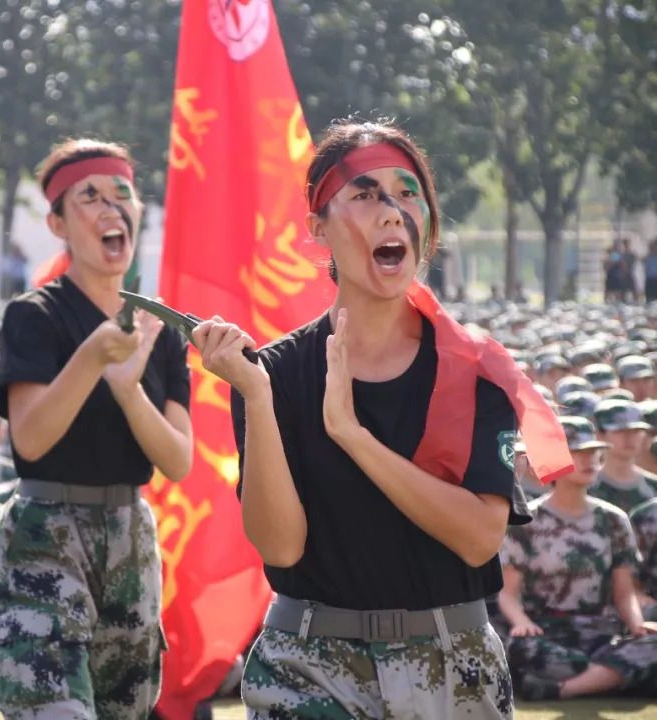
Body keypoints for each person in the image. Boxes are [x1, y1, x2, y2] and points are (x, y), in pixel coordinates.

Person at [196, 121, 565, 718]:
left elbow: (478, 538)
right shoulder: (273, 374)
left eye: (407, 192)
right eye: (365, 194)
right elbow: (280, 546)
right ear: (318, 227)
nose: (392, 211)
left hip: (453, 666)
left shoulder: (474, 368)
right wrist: (258, 399)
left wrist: (353, 436)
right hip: (309, 667)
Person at [0, 139, 193, 718]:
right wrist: (94, 357)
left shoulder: (158, 328)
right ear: (57, 223)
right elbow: (30, 439)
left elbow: (177, 460)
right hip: (46, 533)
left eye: (122, 194)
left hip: (130, 536)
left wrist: (129, 391)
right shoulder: (35, 315)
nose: (112, 208)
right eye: (90, 197)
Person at [499, 416, 657, 700]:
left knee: (652, 642)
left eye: (594, 453)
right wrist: (521, 622)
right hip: (546, 635)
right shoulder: (526, 520)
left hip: (601, 634)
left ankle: (560, 689)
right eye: (578, 453)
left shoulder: (614, 519)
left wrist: (636, 624)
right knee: (521, 647)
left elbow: (624, 593)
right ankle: (609, 677)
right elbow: (508, 594)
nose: (589, 461)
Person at [590, 398, 657, 513]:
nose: (630, 438)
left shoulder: (653, 487)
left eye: (636, 431)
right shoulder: (586, 486)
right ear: (600, 435)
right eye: (620, 431)